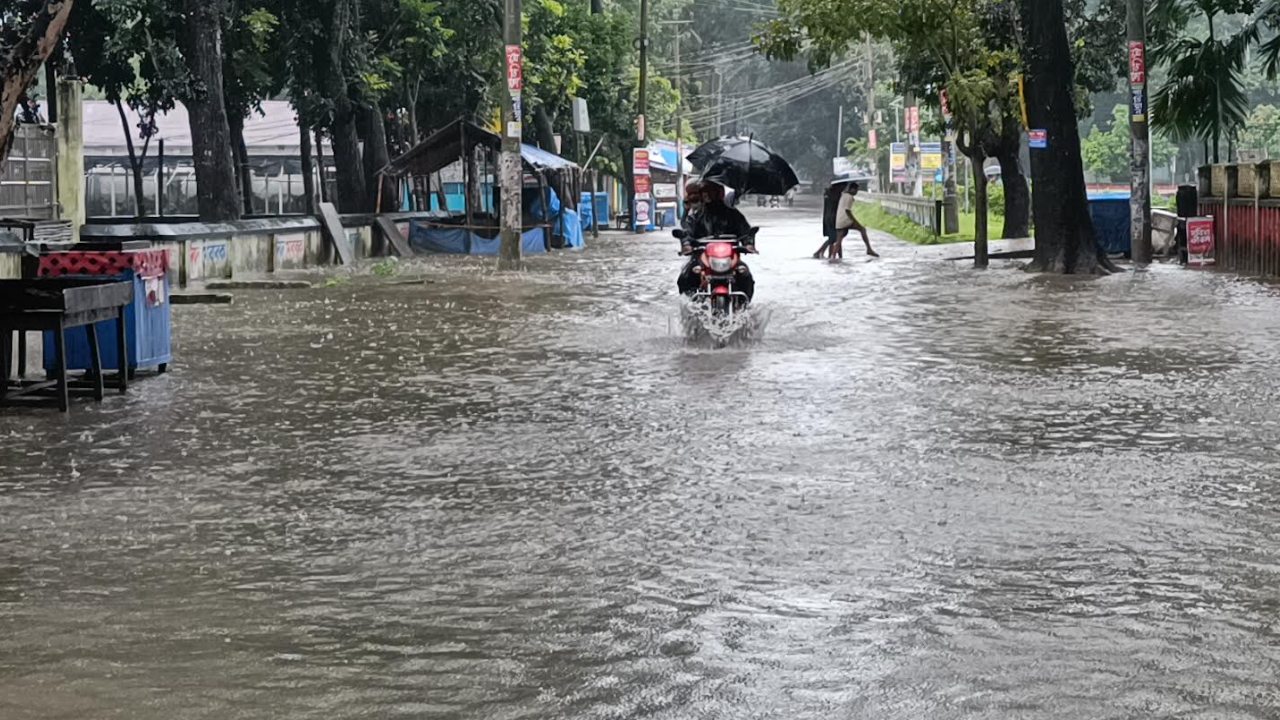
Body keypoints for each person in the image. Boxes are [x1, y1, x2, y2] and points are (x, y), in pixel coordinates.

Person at [677, 181, 756, 300]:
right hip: (703, 258)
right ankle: (690, 305)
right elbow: (687, 231)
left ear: (719, 193)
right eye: (705, 192)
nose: (707, 195)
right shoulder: (697, 215)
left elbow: (745, 231)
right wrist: (687, 244)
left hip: (729, 258)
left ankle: (744, 304)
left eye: (711, 191)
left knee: (745, 274)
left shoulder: (733, 214)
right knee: (686, 276)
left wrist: (748, 243)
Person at [830, 182, 878, 260]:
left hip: (839, 221)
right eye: (856, 190)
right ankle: (869, 249)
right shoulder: (849, 197)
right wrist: (855, 221)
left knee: (838, 241)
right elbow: (847, 211)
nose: (856, 192)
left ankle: (833, 257)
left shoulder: (844, 195)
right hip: (845, 220)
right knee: (862, 229)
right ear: (852, 189)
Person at [813, 183, 843, 259]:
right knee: (834, 238)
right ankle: (820, 252)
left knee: (834, 238)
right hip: (833, 218)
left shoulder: (828, 193)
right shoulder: (836, 195)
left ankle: (831, 255)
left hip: (827, 217)